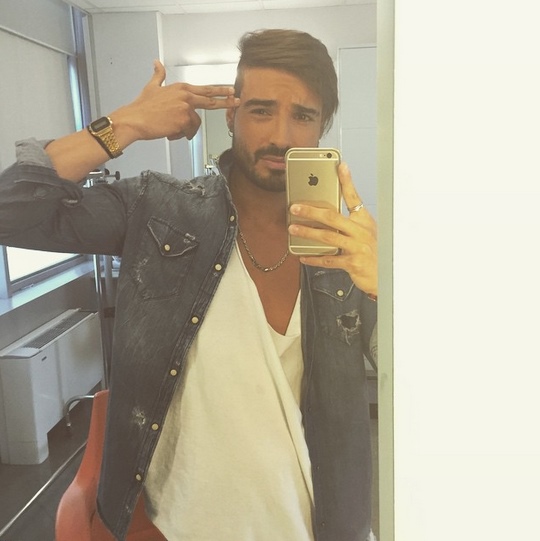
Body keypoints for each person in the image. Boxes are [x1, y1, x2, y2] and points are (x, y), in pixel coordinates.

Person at [0, 29, 377, 541]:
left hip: (316, 522)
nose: (281, 135)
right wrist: (124, 126)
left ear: (323, 126)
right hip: (179, 524)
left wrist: (388, 287)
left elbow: (419, 377)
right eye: (261, 110)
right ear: (231, 115)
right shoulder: (158, 210)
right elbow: (11, 213)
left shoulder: (347, 250)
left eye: (303, 115)